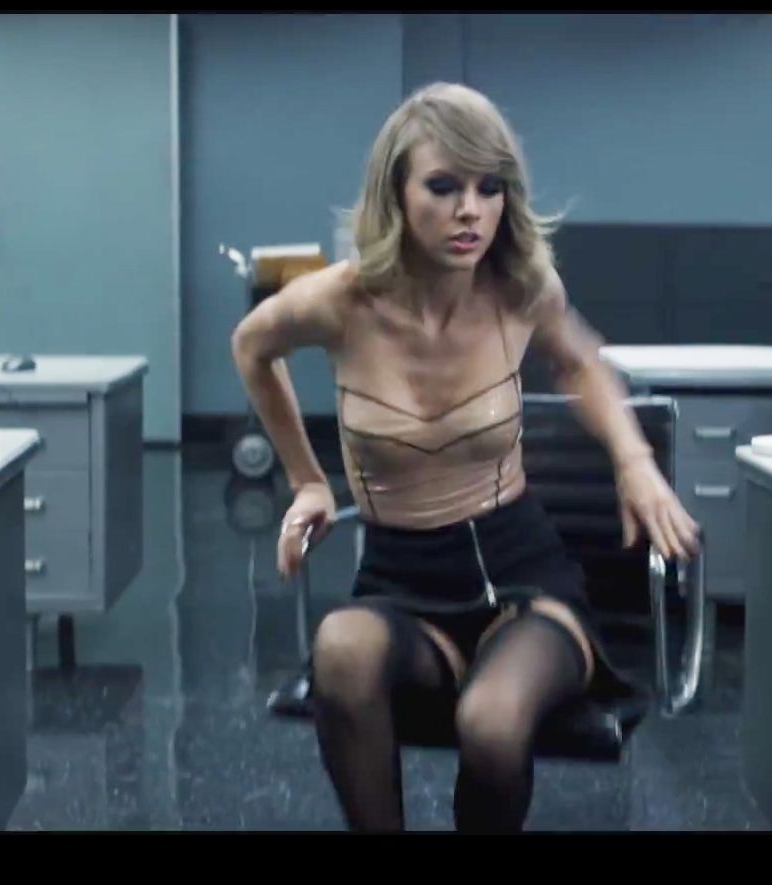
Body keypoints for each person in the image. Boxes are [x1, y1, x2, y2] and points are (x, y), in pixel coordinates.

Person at [230, 82, 701, 832]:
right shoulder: (339, 302)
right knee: (339, 649)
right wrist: (307, 480)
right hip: (400, 582)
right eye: (444, 187)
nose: (471, 211)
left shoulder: (522, 289)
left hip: (522, 580)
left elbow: (580, 363)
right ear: (396, 193)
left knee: (491, 721)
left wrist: (633, 461)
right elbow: (252, 347)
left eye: (490, 188)